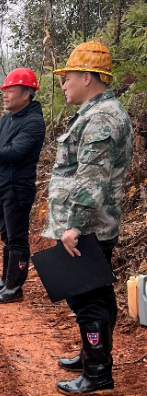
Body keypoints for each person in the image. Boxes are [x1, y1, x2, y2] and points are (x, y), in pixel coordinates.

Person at [44, 41, 133, 395]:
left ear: (87, 76)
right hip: (90, 224)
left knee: (87, 302)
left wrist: (74, 226)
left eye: (68, 77)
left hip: (87, 228)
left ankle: (97, 373)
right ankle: (91, 356)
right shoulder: (96, 113)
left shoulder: (101, 119)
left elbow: (92, 177)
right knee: (98, 296)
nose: (63, 84)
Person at [0, 68, 45, 304]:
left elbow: (15, 153)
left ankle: (14, 287)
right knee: (7, 236)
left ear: (26, 94)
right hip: (3, 187)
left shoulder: (33, 122)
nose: (5, 95)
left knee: (17, 239)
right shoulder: (8, 118)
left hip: (17, 188)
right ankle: (6, 279)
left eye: (10, 91)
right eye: (4, 91)